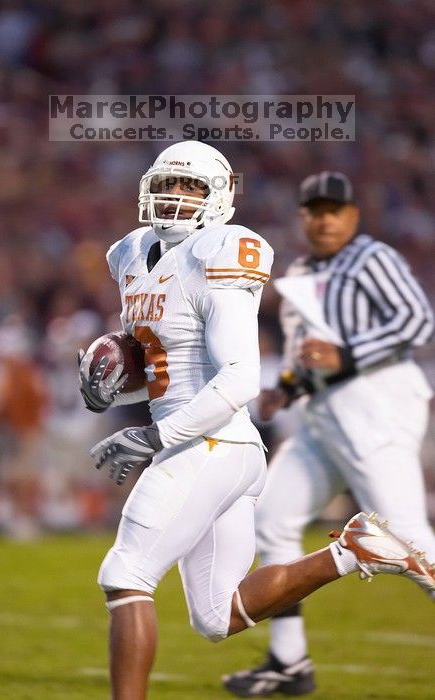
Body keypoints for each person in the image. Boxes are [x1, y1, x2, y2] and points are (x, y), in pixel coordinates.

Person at [78, 148, 435, 700]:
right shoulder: (128, 252)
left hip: (210, 441)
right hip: (219, 446)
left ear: (217, 196)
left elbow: (241, 375)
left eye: (191, 187)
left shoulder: (219, 253)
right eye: (168, 183)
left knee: (125, 575)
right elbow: (164, 360)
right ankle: (355, 549)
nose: (176, 196)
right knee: (218, 617)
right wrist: (111, 383)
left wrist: (154, 435)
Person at [223, 171, 435, 697]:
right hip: (324, 415)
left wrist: (347, 355)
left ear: (352, 215)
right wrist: (286, 389)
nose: (323, 220)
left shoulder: (370, 257)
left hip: (374, 406)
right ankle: (289, 662)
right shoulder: (298, 270)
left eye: (333, 210)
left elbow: (418, 320)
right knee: (271, 519)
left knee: (407, 538)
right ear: (303, 217)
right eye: (314, 211)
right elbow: (311, 353)